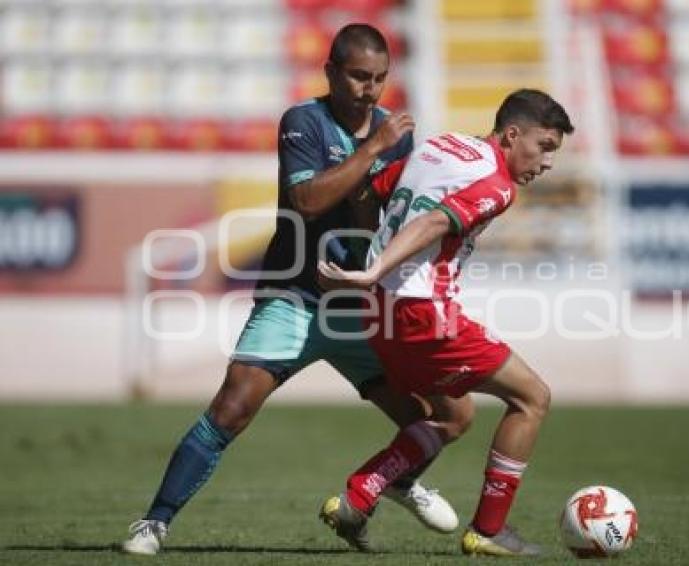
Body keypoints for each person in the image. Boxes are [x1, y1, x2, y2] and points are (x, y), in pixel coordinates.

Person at [122, 23, 473, 556]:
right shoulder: (304, 122)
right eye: (358, 76)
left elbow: (396, 215)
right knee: (232, 408)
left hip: (360, 308)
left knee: (436, 417)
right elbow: (307, 200)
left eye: (379, 78)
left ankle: (394, 483)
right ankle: (154, 523)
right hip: (296, 297)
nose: (369, 89)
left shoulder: (398, 136)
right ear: (332, 72)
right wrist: (373, 150)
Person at [316, 88, 574, 556]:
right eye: (545, 146)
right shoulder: (498, 185)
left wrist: (368, 264)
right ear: (512, 134)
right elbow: (435, 223)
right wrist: (376, 267)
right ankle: (490, 531)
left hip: (379, 311)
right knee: (533, 398)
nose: (548, 161)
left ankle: (360, 495)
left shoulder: (439, 144)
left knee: (455, 415)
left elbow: (368, 191)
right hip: (421, 311)